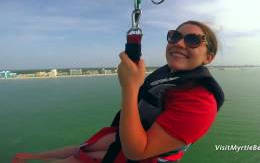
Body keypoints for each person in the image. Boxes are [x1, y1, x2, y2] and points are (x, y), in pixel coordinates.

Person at [12, 20, 224, 163]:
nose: (179, 43)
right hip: (127, 137)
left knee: (82, 157)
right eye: (174, 36)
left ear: (208, 58)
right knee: (84, 149)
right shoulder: (169, 76)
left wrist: (130, 87)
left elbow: (136, 152)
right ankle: (32, 157)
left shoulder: (200, 103)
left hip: (141, 154)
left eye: (193, 40)